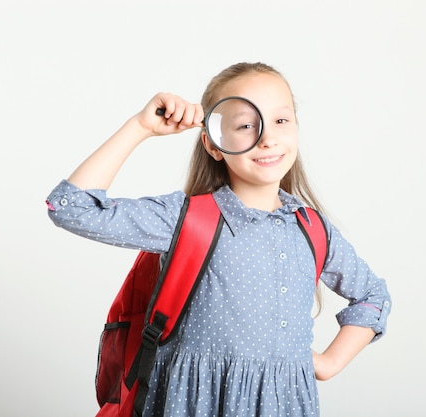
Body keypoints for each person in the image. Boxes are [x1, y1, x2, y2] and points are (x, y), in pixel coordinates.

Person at [46, 62, 391, 417]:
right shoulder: (184, 218)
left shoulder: (311, 228)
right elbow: (70, 208)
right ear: (213, 144)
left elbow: (373, 295)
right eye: (245, 125)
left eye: (281, 120)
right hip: (192, 404)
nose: (267, 137)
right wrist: (140, 127)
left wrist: (329, 363)